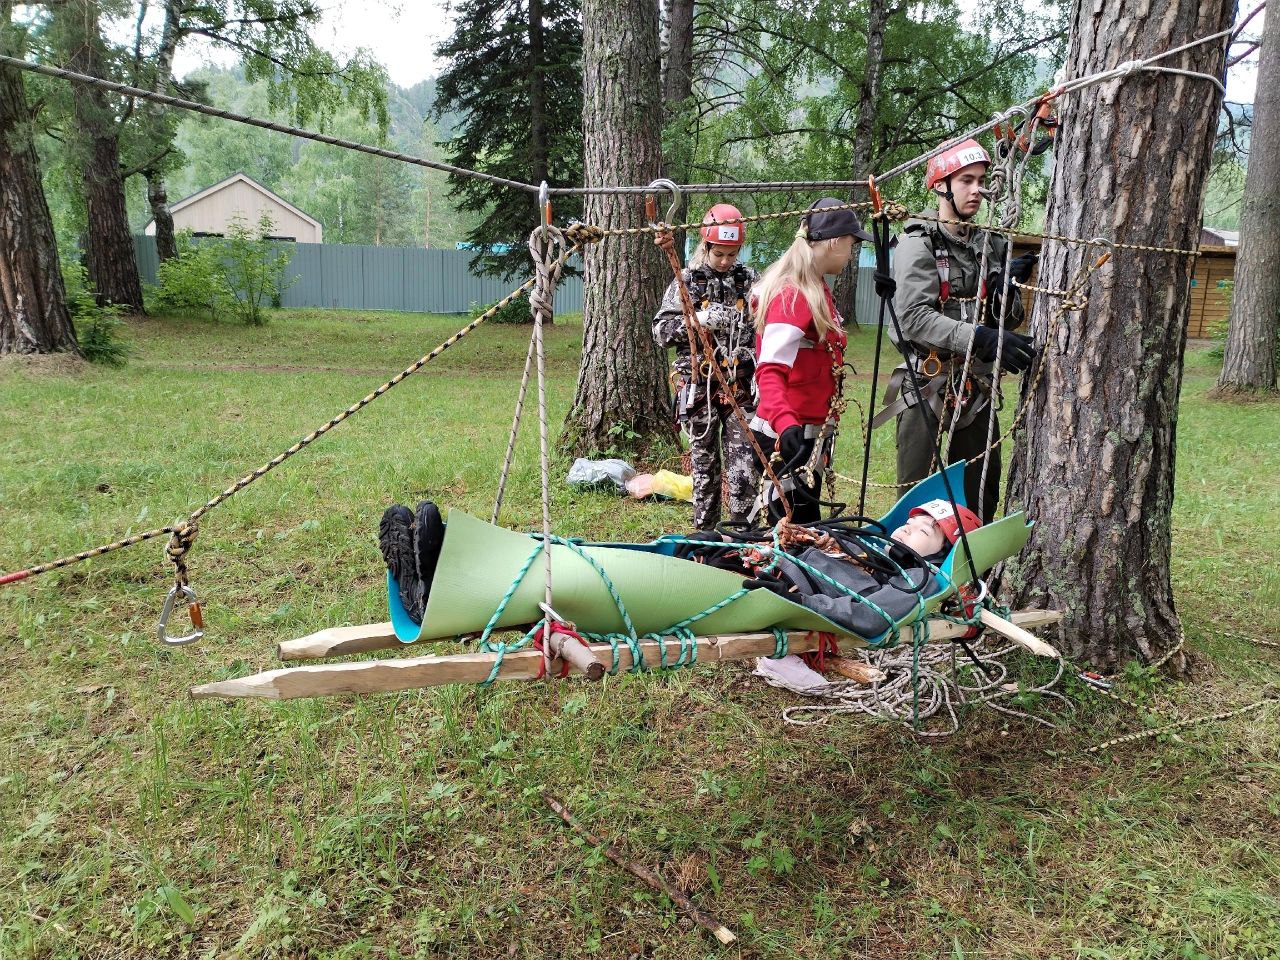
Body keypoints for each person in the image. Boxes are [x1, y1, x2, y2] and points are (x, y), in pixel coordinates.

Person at [886, 138, 1039, 521]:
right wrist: (980, 338)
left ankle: (976, 575)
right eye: (967, 180)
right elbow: (912, 318)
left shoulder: (991, 244)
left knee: (980, 489)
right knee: (917, 493)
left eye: (982, 181)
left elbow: (1009, 320)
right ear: (941, 185)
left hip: (977, 385)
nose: (977, 190)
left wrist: (1005, 292)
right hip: (928, 381)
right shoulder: (916, 243)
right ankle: (914, 572)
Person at [751, 197, 872, 524]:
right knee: (790, 535)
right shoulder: (794, 295)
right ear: (834, 242)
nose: (851, 252)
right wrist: (788, 428)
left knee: (803, 530)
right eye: (851, 243)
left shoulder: (816, 289)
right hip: (786, 439)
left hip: (807, 436)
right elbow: (770, 372)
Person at [653, 204, 760, 530]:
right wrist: (695, 321)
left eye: (732, 253)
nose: (726, 261)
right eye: (719, 254)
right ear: (706, 247)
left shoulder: (750, 280)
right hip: (699, 386)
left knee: (745, 463)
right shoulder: (685, 281)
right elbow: (661, 332)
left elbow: (766, 323)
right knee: (705, 464)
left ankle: (744, 533)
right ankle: (706, 534)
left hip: (739, 385)